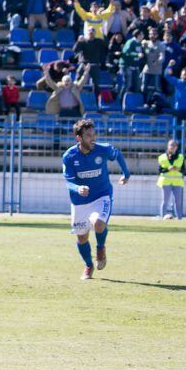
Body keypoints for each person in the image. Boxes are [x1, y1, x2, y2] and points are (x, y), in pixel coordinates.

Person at [62, 118, 130, 280]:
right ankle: (88, 265)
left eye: (94, 134)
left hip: (102, 195)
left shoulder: (102, 149)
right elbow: (68, 181)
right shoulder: (69, 156)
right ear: (79, 138)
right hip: (79, 201)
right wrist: (78, 188)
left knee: (98, 224)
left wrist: (126, 173)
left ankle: (100, 248)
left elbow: (117, 154)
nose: (93, 138)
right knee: (82, 237)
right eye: (88, 135)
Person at [157, 139, 185, 220]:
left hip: (177, 182)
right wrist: (168, 169)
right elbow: (159, 170)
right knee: (165, 201)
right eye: (170, 145)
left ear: (177, 147)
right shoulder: (162, 157)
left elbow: (184, 169)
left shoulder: (181, 157)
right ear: (168, 146)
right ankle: (163, 217)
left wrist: (178, 169)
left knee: (178, 202)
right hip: (166, 182)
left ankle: (180, 218)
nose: (172, 147)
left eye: (174, 145)